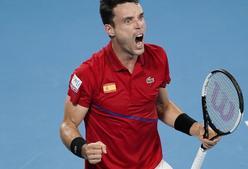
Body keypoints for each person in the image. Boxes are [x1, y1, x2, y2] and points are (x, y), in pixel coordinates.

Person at [59, 0, 220, 169]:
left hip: (152, 164)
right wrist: (83, 148)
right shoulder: (88, 73)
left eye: (141, 17)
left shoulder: (157, 57)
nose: (139, 25)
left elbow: (162, 106)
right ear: (110, 29)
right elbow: (68, 124)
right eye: (128, 21)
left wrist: (196, 129)